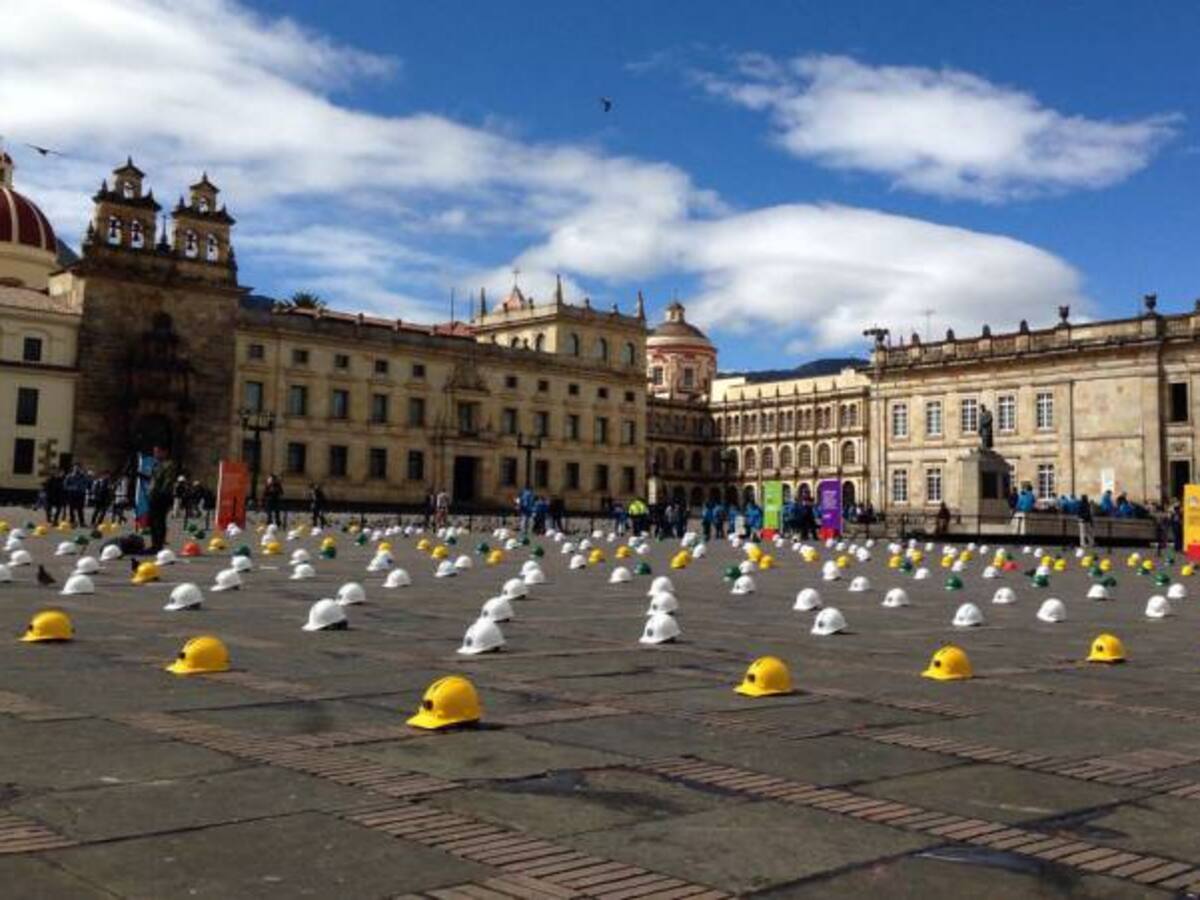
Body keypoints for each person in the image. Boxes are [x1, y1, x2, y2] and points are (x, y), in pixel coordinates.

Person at [145, 445, 177, 553]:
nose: (155, 454)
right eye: (154, 452)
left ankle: (158, 545)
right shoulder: (156, 465)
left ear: (164, 452)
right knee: (152, 521)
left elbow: (168, 481)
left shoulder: (168, 465)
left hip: (161, 497)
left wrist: (161, 494)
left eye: (158, 452)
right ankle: (154, 544)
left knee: (159, 521)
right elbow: (153, 479)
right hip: (153, 496)